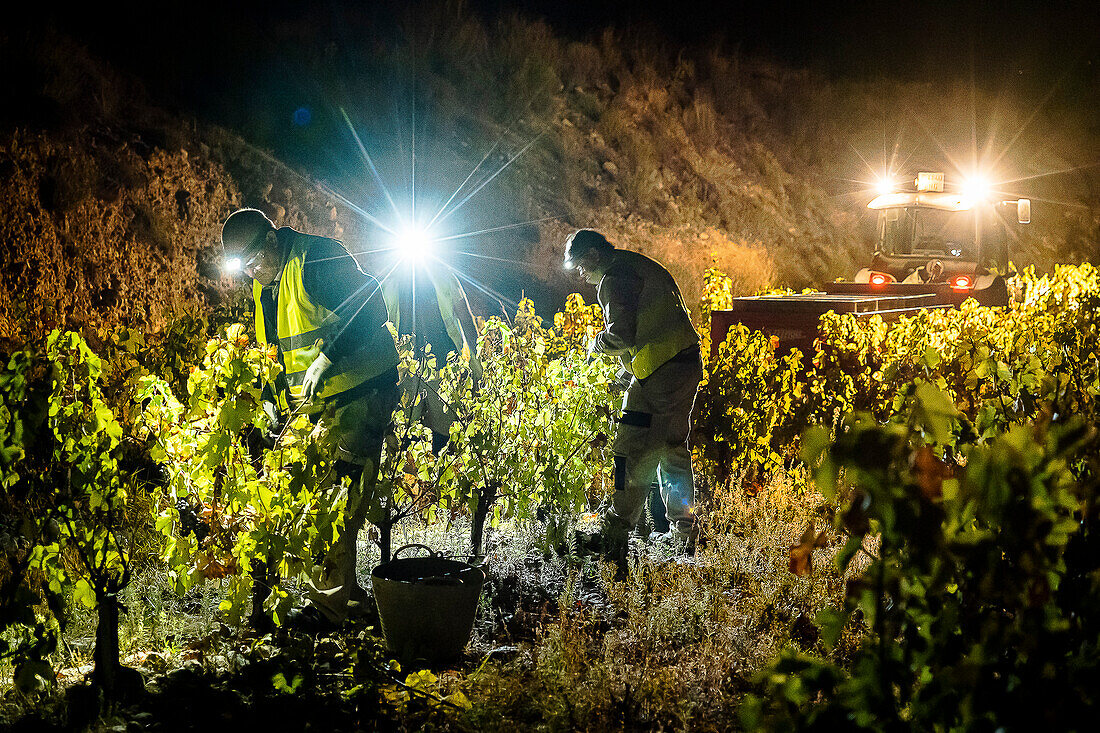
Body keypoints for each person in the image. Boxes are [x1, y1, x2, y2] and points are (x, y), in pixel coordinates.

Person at [221, 208, 400, 630]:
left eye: (253, 262)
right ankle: (347, 597)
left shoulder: (315, 258)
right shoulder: (266, 288)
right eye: (242, 269)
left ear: (270, 241)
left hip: (363, 389)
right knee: (305, 498)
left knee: (338, 497)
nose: (250, 273)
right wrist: (269, 401)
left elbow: (372, 305)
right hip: (316, 408)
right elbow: (276, 356)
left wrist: (327, 357)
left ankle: (327, 613)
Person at [563, 229, 702, 557]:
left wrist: (595, 344)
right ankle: (682, 535)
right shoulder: (632, 264)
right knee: (669, 450)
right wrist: (625, 378)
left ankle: (617, 535)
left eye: (582, 266)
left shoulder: (614, 278)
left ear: (595, 255)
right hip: (675, 367)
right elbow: (648, 328)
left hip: (664, 374)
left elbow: (622, 334)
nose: (582, 275)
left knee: (638, 452)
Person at [382, 262, 481, 453]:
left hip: (444, 366)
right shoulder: (390, 282)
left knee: (447, 430)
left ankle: (443, 476)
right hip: (407, 368)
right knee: (405, 430)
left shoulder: (444, 276)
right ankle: (408, 478)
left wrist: (477, 365)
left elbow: (465, 318)